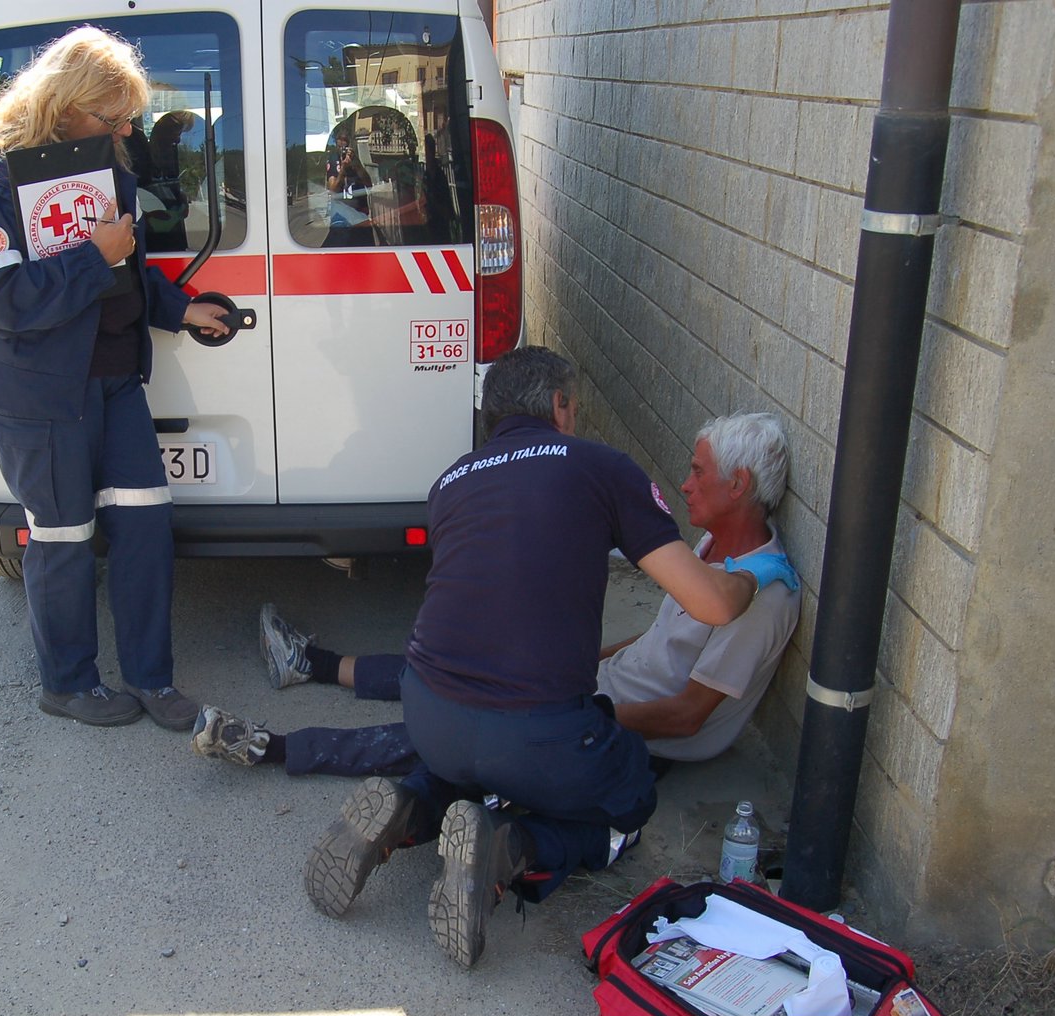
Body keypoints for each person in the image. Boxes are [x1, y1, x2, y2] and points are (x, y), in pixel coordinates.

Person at [283, 347, 797, 967]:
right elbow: (713, 604)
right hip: (538, 734)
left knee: (475, 760)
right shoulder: (602, 468)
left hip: (430, 713)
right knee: (628, 799)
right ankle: (513, 846)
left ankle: (411, 806)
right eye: (574, 407)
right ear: (558, 405)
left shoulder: (450, 481)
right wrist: (750, 577)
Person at [192, 412, 800, 777]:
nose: (686, 483)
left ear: (739, 483)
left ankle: (273, 749)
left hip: (630, 733)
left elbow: (688, 716)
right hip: (595, 693)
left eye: (698, 472)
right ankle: (313, 665)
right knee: (469, 666)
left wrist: (582, 716)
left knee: (443, 740)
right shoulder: (712, 552)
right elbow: (661, 641)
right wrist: (585, 661)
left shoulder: (763, 592)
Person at [0, 27, 229, 731]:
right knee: (65, 536)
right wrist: (90, 256)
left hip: (112, 381)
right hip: (39, 397)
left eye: (128, 116)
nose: (126, 128)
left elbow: (124, 267)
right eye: (113, 116)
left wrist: (179, 306)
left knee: (144, 527)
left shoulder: (101, 163)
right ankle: (67, 683)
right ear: (65, 104)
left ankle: (151, 680)